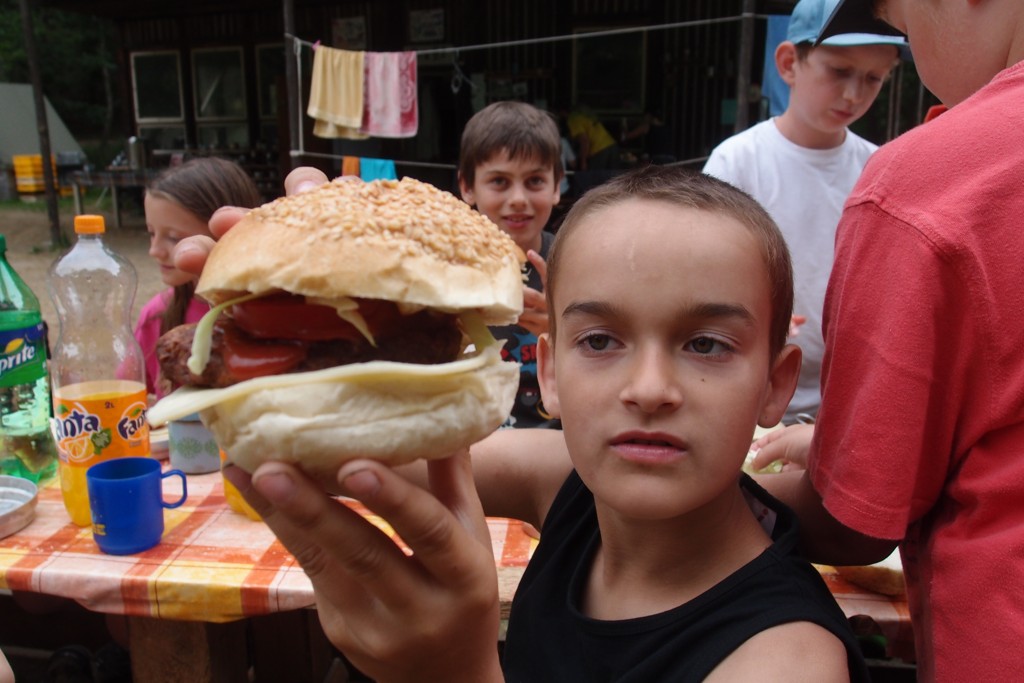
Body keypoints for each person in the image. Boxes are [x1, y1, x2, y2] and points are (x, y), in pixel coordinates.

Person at [181, 164, 868, 681]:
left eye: (707, 345)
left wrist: (457, 672)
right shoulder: (566, 480)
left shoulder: (789, 660)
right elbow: (354, 456)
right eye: (600, 340)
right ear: (550, 372)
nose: (650, 389)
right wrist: (340, 262)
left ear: (776, 384)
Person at [748, 0, 1024, 679]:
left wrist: (685, 489)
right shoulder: (746, 158)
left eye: (903, 26)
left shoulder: (933, 180)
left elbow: (856, 523)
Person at [703, 0, 905, 423]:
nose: (854, 94)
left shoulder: (881, 168)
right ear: (789, 63)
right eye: (839, 71)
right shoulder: (738, 161)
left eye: (873, 78)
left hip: (844, 400)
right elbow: (704, 274)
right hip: (748, 397)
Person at [457, 101, 564, 428]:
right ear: (467, 187)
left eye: (534, 181)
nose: (518, 198)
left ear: (557, 186)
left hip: (555, 443)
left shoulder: (575, 265)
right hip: (467, 438)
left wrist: (564, 333)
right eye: (500, 182)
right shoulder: (445, 268)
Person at [135, 157, 262, 400]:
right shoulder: (156, 315)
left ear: (226, 233)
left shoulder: (268, 314)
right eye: (151, 233)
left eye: (174, 237)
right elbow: (128, 390)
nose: (154, 250)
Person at [564, 104, 620, 171]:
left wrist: (583, 162)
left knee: (595, 176)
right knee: (613, 176)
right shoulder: (584, 115)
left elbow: (584, 141)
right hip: (612, 145)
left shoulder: (573, 119)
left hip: (599, 150)